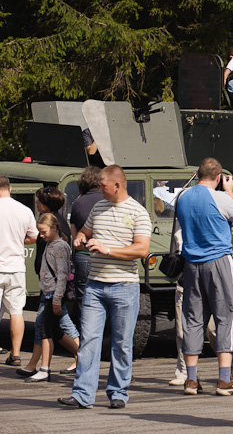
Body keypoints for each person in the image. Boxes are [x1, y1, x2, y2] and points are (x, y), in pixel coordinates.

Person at [59, 165, 151, 409]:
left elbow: (142, 249)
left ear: (117, 185)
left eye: (103, 185)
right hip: (95, 286)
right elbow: (85, 232)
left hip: (124, 286)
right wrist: (80, 237)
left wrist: (107, 249)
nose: (99, 188)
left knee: (122, 342)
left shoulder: (137, 212)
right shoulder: (98, 206)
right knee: (89, 339)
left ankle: (118, 392)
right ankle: (82, 395)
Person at [176, 158, 233, 396]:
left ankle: (191, 379)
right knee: (226, 316)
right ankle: (224, 379)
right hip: (218, 261)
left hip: (191, 264)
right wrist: (229, 192)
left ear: (198, 174)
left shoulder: (183, 197)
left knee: (193, 318)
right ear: (218, 178)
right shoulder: (220, 197)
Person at [27, 214, 78, 383]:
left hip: (53, 294)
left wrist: (56, 299)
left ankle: (44, 369)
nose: (41, 235)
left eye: (43, 231)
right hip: (50, 293)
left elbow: (62, 275)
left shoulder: (60, 246)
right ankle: (82, 356)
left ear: (54, 228)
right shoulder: (51, 243)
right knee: (55, 331)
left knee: (45, 330)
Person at [0, 176, 39, 367]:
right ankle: (15, 354)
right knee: (16, 311)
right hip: (16, 267)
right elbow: (33, 237)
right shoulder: (24, 210)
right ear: (10, 188)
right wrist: (18, 241)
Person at [69, 167, 103, 306]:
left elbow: (74, 233)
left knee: (83, 299)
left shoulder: (77, 202)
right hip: (105, 254)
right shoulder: (107, 200)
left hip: (83, 254)